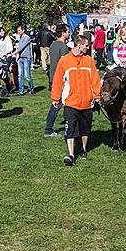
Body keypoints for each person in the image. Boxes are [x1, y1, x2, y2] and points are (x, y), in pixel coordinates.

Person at [51, 35, 101, 166]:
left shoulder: (89, 60)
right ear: (79, 45)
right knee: (70, 128)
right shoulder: (64, 61)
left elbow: (95, 79)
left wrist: (97, 96)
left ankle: (84, 149)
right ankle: (71, 154)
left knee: (85, 129)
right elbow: (58, 80)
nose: (88, 47)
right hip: (70, 102)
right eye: (86, 45)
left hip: (87, 102)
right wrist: (55, 97)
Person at [44, 24, 70, 138]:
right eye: (68, 31)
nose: (69, 33)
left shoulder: (53, 45)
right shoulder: (63, 47)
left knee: (59, 103)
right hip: (60, 79)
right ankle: (48, 129)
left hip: (52, 76)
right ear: (63, 33)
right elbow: (65, 65)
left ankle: (69, 124)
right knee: (57, 104)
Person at [15, 25, 33, 94]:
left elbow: (20, 48)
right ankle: (21, 90)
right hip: (21, 58)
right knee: (20, 75)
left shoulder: (27, 38)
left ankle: (31, 88)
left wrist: (12, 54)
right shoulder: (21, 37)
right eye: (18, 30)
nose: (18, 32)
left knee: (27, 75)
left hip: (26, 58)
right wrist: (17, 56)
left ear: (23, 30)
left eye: (19, 30)